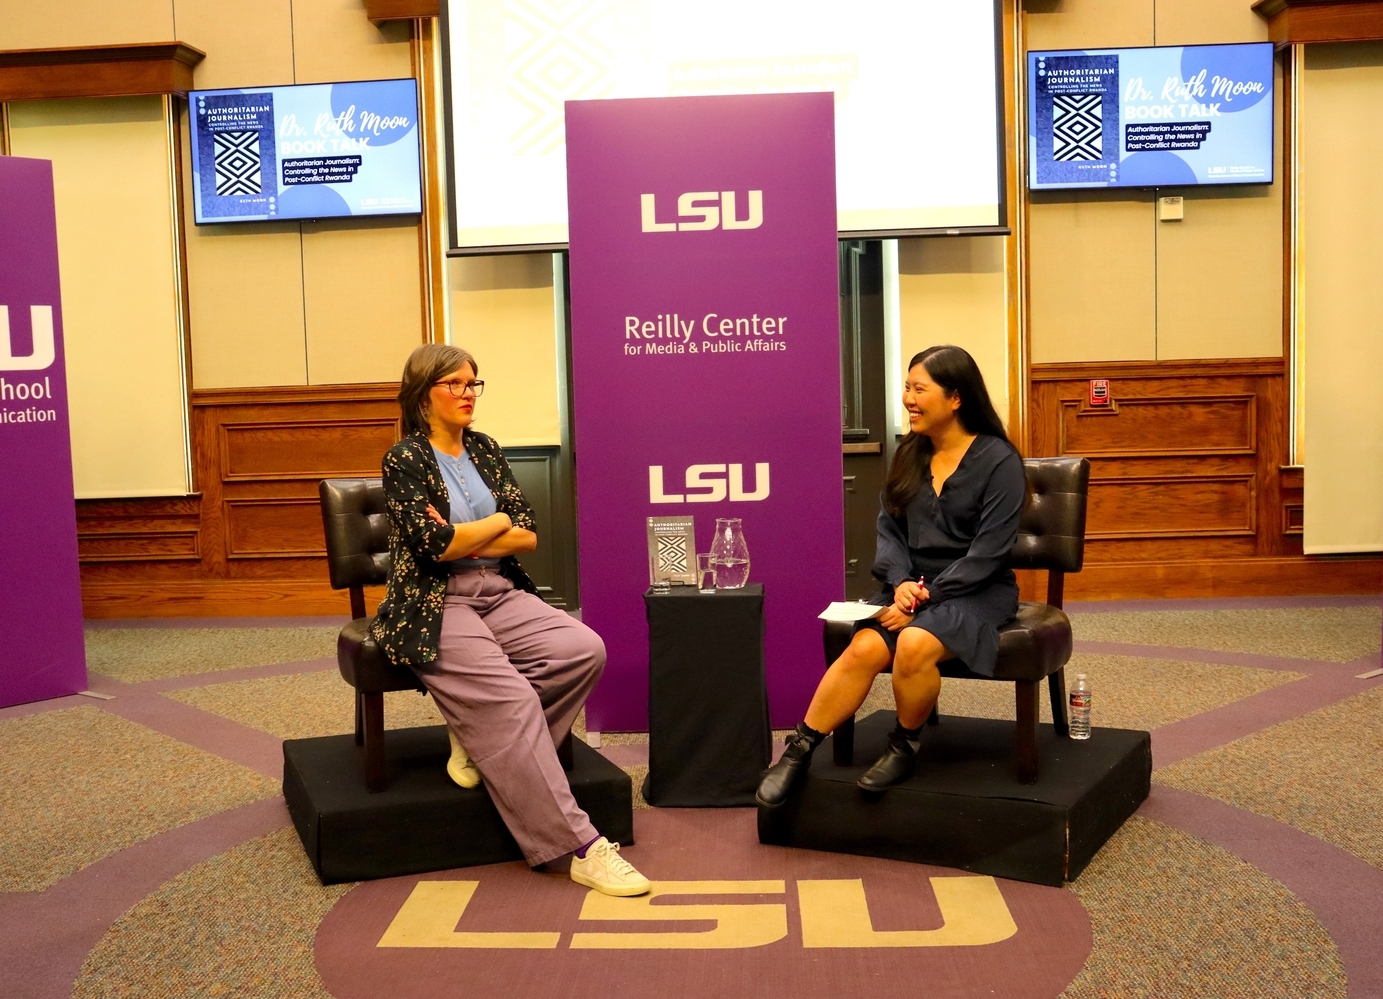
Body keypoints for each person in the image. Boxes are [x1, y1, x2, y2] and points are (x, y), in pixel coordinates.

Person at [371, 343, 650, 896]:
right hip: (435, 600)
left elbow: (526, 534)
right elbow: (433, 547)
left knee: (582, 649)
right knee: (514, 700)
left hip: (498, 589)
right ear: (423, 395)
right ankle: (579, 847)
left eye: (474, 384)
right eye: (454, 384)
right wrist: (490, 524)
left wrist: (475, 531)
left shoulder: (486, 449)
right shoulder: (404, 458)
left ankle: (479, 742)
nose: (468, 394)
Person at [756, 344, 1027, 806]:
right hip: (910, 587)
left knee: (916, 642)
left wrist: (926, 598)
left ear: (956, 397)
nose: (908, 398)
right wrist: (901, 581)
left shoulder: (999, 462)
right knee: (863, 647)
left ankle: (904, 745)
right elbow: (889, 530)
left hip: (977, 590)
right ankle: (799, 749)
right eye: (907, 387)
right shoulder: (909, 452)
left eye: (920, 389)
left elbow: (989, 553)